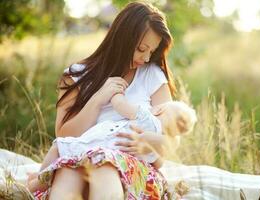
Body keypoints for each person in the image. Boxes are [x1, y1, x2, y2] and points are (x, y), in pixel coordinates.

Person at [30, 2, 180, 199]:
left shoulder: (151, 75)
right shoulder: (76, 75)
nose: (145, 58)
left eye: (151, 51)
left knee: (103, 164)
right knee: (68, 169)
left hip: (132, 168)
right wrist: (97, 99)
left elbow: (173, 137)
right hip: (80, 158)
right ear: (121, 40)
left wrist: (151, 142)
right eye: (141, 49)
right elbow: (65, 135)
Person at [26, 99, 197, 193]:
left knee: (60, 146)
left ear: (159, 110)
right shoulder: (154, 147)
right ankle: (41, 179)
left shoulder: (147, 117)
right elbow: (159, 163)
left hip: (97, 146)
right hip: (115, 163)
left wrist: (115, 96)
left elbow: (122, 107)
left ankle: (37, 182)